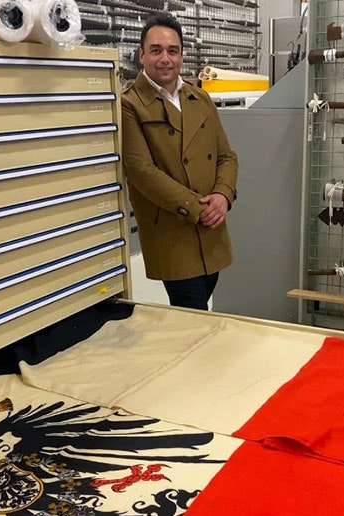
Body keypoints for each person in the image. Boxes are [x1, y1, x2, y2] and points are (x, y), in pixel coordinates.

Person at [120, 13, 239, 311]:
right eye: (156, 50)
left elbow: (226, 155)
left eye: (172, 51)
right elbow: (141, 171)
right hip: (172, 231)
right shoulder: (129, 104)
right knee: (193, 313)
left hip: (211, 230)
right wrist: (199, 209)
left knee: (200, 310)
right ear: (142, 55)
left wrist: (223, 195)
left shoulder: (200, 98)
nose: (165, 58)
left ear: (182, 56)